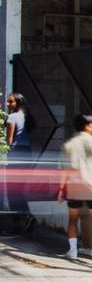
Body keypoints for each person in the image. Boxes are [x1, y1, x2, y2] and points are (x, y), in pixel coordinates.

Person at [56, 113, 92, 266]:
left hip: (75, 188)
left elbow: (64, 171)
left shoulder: (68, 145)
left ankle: (73, 251)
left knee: (73, 220)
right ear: (87, 125)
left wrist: (61, 190)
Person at [4, 92, 32, 220]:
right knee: (18, 190)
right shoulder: (26, 116)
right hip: (27, 153)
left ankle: (21, 220)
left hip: (16, 153)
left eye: (10, 102)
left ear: (18, 103)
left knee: (12, 191)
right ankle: (25, 217)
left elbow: (9, 141)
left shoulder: (12, 117)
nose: (7, 104)